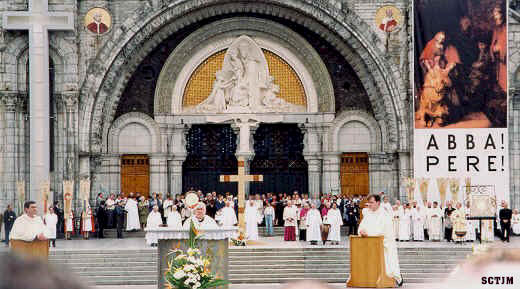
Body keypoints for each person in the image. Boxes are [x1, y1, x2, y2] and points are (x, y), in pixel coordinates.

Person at [358, 195, 402, 286]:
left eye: (371, 203)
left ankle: (389, 278)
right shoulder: (368, 213)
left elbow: (382, 230)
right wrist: (361, 231)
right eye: (368, 203)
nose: (369, 205)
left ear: (378, 203)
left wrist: (368, 234)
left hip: (383, 244)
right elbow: (362, 226)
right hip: (370, 244)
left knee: (388, 264)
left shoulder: (384, 214)